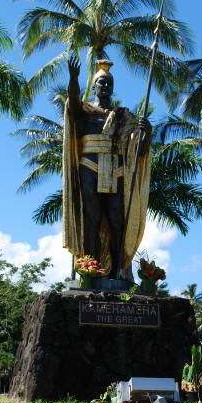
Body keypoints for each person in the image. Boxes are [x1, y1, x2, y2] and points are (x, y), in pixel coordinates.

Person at [62, 55, 151, 278]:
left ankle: (117, 273)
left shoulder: (123, 117)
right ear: (94, 86)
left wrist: (147, 133)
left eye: (109, 83)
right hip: (89, 167)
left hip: (115, 170)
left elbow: (139, 152)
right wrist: (73, 79)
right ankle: (90, 271)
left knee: (117, 222)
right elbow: (72, 103)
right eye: (101, 82)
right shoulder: (84, 112)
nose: (105, 86)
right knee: (91, 219)